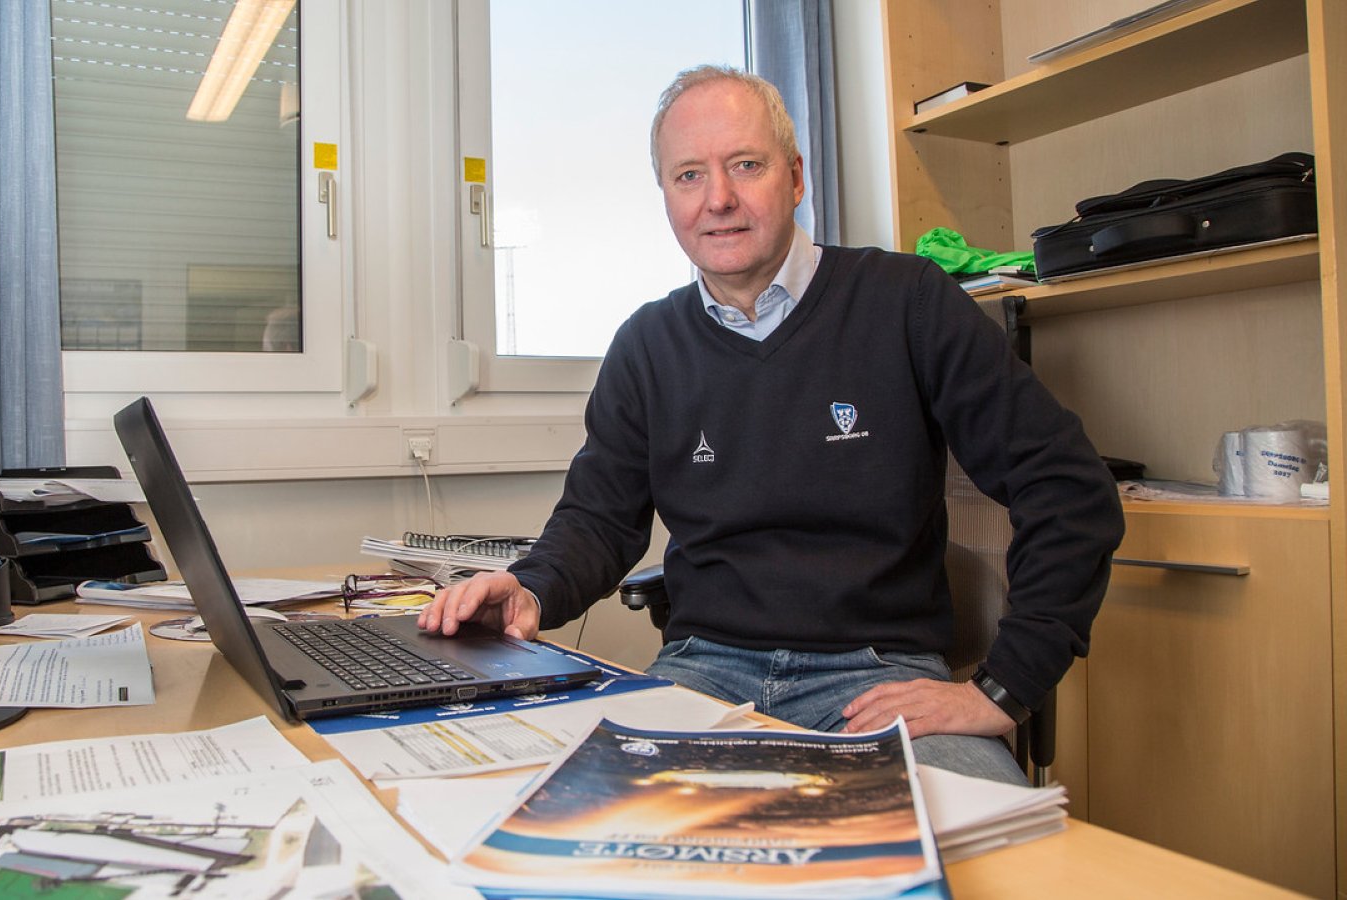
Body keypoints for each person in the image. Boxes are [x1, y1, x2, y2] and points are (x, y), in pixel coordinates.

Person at [418, 65, 1124, 784]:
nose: (718, 198)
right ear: (666, 197)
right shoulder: (647, 345)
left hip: (877, 679)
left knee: (994, 834)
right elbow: (598, 521)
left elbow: (1067, 488)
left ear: (796, 177)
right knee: (568, 809)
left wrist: (1001, 690)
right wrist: (529, 587)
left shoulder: (908, 301)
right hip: (702, 673)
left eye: (745, 165)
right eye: (689, 175)